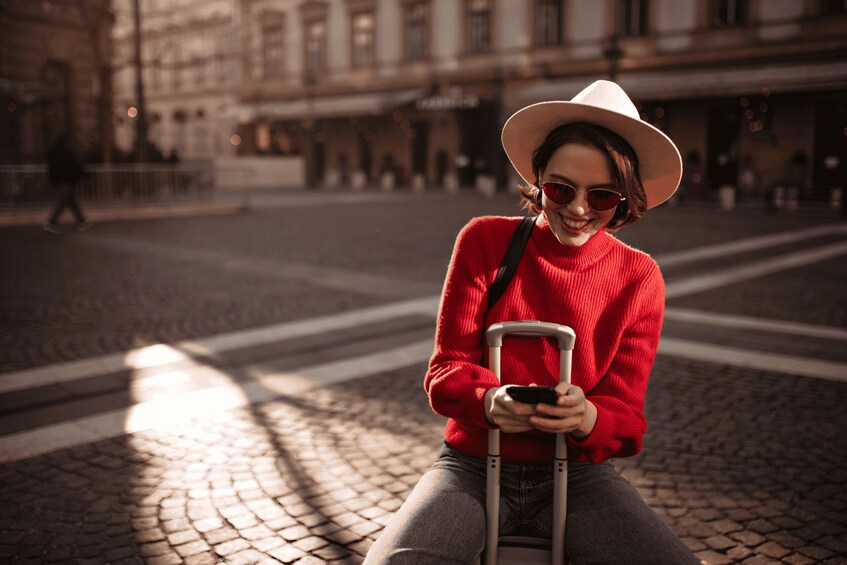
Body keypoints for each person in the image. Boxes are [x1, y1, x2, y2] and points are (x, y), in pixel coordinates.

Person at [364, 81, 700, 564]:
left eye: (602, 196)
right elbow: (446, 371)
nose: (578, 209)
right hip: (471, 467)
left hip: (581, 475)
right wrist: (488, 400)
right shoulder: (483, 240)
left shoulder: (640, 277)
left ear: (624, 199)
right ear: (539, 177)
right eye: (561, 188)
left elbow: (627, 418)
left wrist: (588, 417)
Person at [43, 134, 91, 233]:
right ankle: (51, 222)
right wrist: (84, 175)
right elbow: (76, 166)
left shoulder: (54, 153)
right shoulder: (69, 153)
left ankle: (82, 222)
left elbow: (52, 169)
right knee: (63, 201)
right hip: (68, 180)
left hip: (60, 181)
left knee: (71, 202)